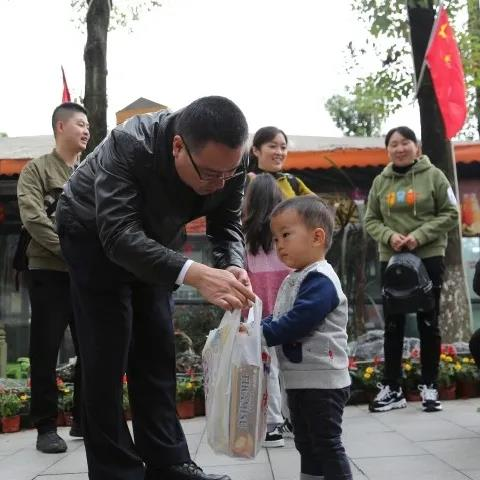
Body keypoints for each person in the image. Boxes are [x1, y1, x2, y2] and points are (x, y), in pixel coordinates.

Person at [55, 96, 255, 480]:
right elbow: (118, 236)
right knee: (106, 353)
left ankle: (169, 463)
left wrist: (232, 263)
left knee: (157, 347)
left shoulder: (230, 160)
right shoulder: (130, 145)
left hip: (155, 239)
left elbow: (227, 221)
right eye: (210, 174)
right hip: (92, 233)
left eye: (229, 174)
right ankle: (116, 471)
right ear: (178, 145)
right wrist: (196, 274)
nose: (220, 183)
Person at [364, 126, 459, 413]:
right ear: (387, 150)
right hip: (392, 259)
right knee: (393, 323)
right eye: (393, 144)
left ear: (416, 147)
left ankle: (429, 385)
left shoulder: (435, 176)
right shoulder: (380, 181)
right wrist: (389, 236)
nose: (400, 148)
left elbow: (451, 213)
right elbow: (371, 219)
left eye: (405, 142)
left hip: (428, 256)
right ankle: (392, 388)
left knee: (429, 321)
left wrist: (419, 235)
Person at [261, 195, 352, 480]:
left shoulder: (320, 278)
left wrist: (260, 334)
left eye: (286, 235)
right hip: (300, 380)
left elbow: (299, 321)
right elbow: (280, 317)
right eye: (276, 239)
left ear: (317, 237)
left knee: (326, 444)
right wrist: (254, 328)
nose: (279, 245)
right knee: (306, 444)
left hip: (323, 381)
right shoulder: (295, 278)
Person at [16, 102, 88, 453]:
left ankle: (85, 419)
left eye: (88, 125)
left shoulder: (91, 171)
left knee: (92, 346)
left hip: (86, 274)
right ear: (61, 126)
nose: (86, 130)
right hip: (48, 271)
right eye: (80, 123)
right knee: (45, 350)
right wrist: (71, 252)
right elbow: (33, 218)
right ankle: (45, 426)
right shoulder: (37, 170)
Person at [242, 173, 291, 448]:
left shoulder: (244, 239)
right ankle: (293, 420)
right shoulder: (285, 238)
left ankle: (273, 426)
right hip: (289, 313)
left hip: (259, 316)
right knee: (290, 367)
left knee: (267, 368)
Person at [249, 126, 313, 197]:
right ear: (255, 150)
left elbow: (316, 203)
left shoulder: (292, 181)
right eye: (272, 146)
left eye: (283, 147)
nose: (279, 152)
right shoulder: (246, 182)